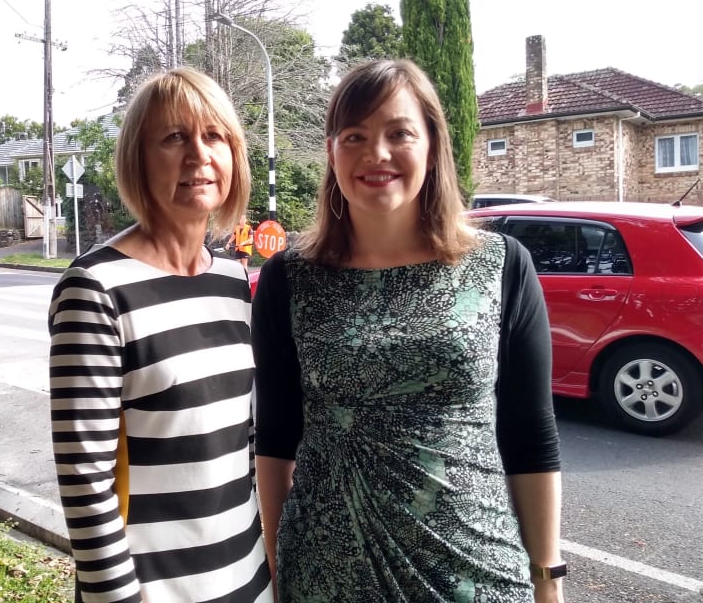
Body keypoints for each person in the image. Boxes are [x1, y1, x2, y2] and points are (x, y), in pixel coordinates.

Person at [251, 60, 564, 602]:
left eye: (400, 133)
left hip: (476, 573)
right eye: (356, 136)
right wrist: (281, 575)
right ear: (332, 151)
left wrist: (547, 579)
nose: (377, 154)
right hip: (328, 575)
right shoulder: (289, 278)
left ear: (432, 145)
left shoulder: (503, 266)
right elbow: (275, 441)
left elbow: (530, 435)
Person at [47, 67, 271, 602]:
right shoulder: (96, 288)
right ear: (138, 160)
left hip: (248, 579)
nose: (199, 154)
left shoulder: (232, 279)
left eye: (214, 135)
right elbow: (87, 484)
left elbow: (243, 448)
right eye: (174, 137)